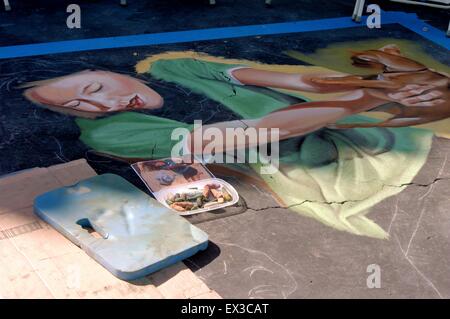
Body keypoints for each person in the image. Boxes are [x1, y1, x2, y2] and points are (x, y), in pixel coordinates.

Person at [22, 48, 444, 238]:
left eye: (96, 86)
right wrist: (369, 95)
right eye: (79, 105)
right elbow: (260, 132)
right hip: (332, 179)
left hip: (358, 129)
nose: (100, 102)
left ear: (109, 70)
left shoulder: (175, 66)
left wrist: (381, 84)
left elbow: (296, 80)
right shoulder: (107, 131)